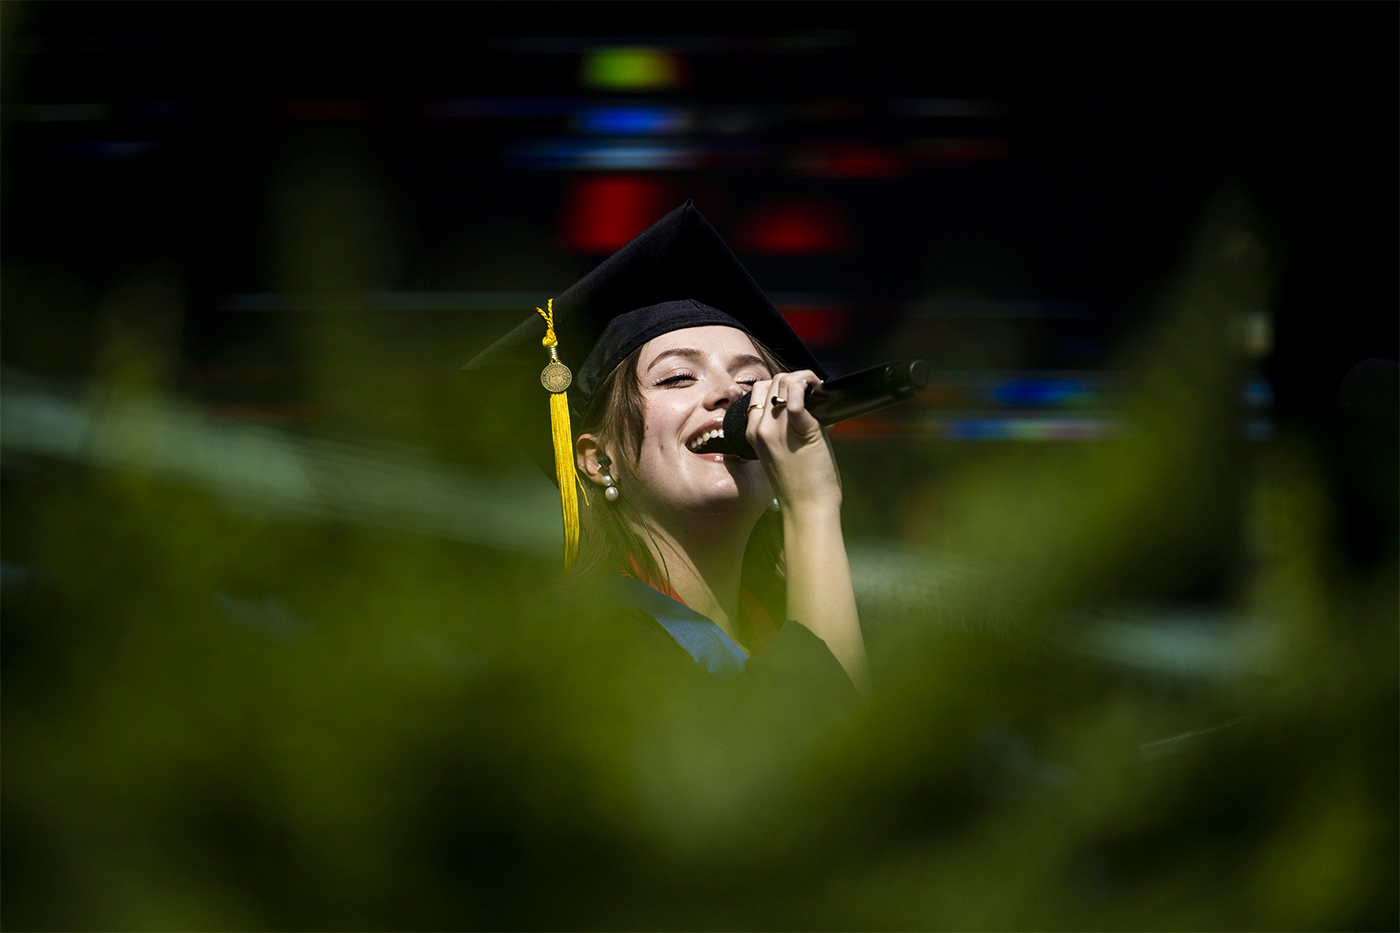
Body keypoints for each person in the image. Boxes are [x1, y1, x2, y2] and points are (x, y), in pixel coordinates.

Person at [462, 202, 869, 696]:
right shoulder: (583, 648)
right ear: (596, 459)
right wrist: (812, 507)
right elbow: (805, 746)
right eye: (678, 376)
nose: (730, 395)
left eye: (752, 381)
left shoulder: (787, 620)